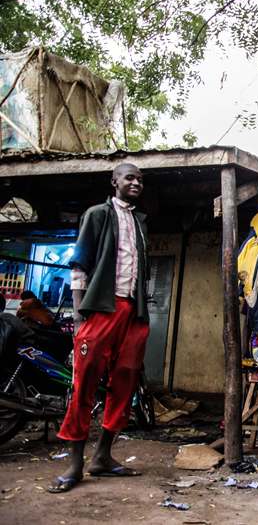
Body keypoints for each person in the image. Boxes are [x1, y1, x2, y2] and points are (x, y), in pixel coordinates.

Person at [48, 163, 150, 493]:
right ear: (115, 181)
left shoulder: (140, 222)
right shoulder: (97, 214)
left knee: (126, 381)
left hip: (134, 313)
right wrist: (79, 313)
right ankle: (75, 463)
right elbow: (80, 262)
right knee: (86, 381)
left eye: (140, 180)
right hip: (100, 308)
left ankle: (103, 456)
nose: (136, 183)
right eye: (130, 177)